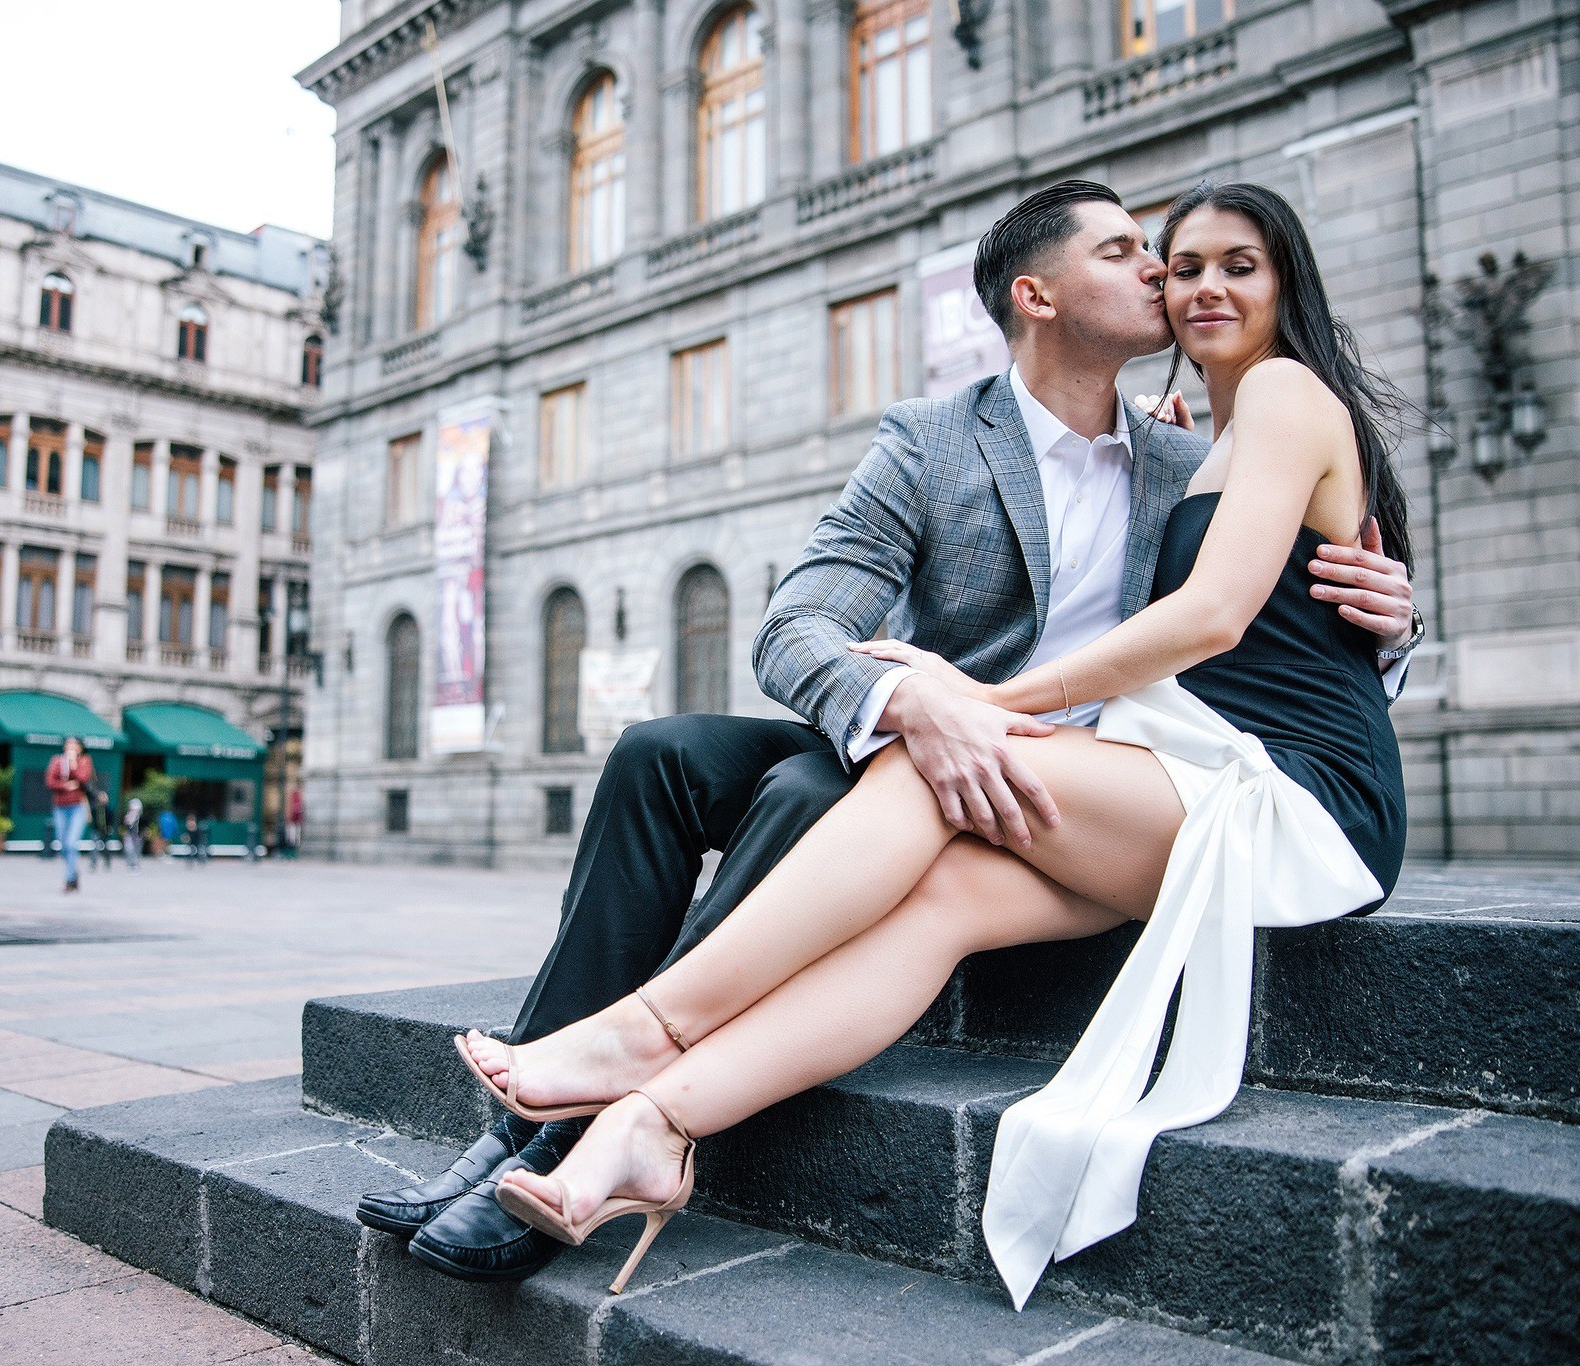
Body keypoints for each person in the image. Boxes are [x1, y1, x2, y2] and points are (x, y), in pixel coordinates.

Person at [357, 180, 1423, 1283]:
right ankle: (631, 1126)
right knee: (663, 755)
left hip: (1119, 768)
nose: (1172, 277)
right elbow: (797, 623)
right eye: (1146, 255)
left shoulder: (1194, 443)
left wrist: (1392, 623)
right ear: (1035, 294)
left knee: (841, 791)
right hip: (1007, 761)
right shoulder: (933, 440)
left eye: (1219, 265)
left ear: (1284, 280)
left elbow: (1259, 617)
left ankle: (616, 1065)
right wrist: (913, 697)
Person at [44, 736, 93, 894]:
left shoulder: (85, 761)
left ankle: (70, 880)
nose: (71, 748)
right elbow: (50, 782)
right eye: (68, 745)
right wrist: (65, 786)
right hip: (60, 807)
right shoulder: (57, 760)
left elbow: (83, 779)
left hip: (77, 806)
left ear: (80, 748)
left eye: (74, 745)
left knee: (72, 843)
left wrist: (72, 764)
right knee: (63, 844)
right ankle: (73, 871)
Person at [122, 797, 144, 873]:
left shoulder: (140, 817)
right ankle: (129, 864)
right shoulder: (127, 816)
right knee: (129, 850)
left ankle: (136, 864)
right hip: (129, 835)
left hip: (137, 836)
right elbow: (125, 825)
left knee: (137, 850)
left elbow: (142, 826)